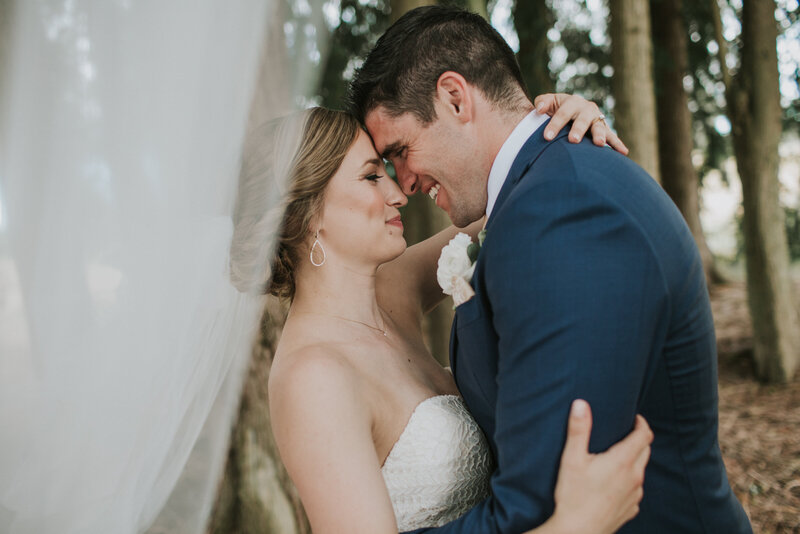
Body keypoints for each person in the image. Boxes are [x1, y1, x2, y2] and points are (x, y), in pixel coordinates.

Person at [347, 5, 753, 534]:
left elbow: (538, 506)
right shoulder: (540, 193)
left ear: (454, 97)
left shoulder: (565, 212)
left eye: (399, 152)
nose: (402, 184)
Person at [231, 102, 653, 533]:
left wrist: (562, 127)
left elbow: (516, 196)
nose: (397, 194)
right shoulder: (312, 378)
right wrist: (578, 524)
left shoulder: (392, 289)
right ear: (309, 214)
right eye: (372, 176)